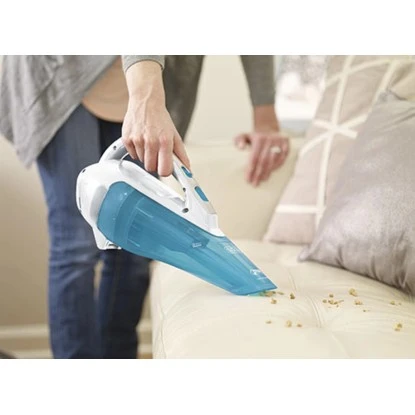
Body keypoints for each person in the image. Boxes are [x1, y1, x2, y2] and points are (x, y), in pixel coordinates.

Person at [0, 55, 289, 359]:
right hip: (67, 72)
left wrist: (265, 117)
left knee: (135, 250)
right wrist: (145, 97)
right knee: (76, 245)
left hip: (150, 82)